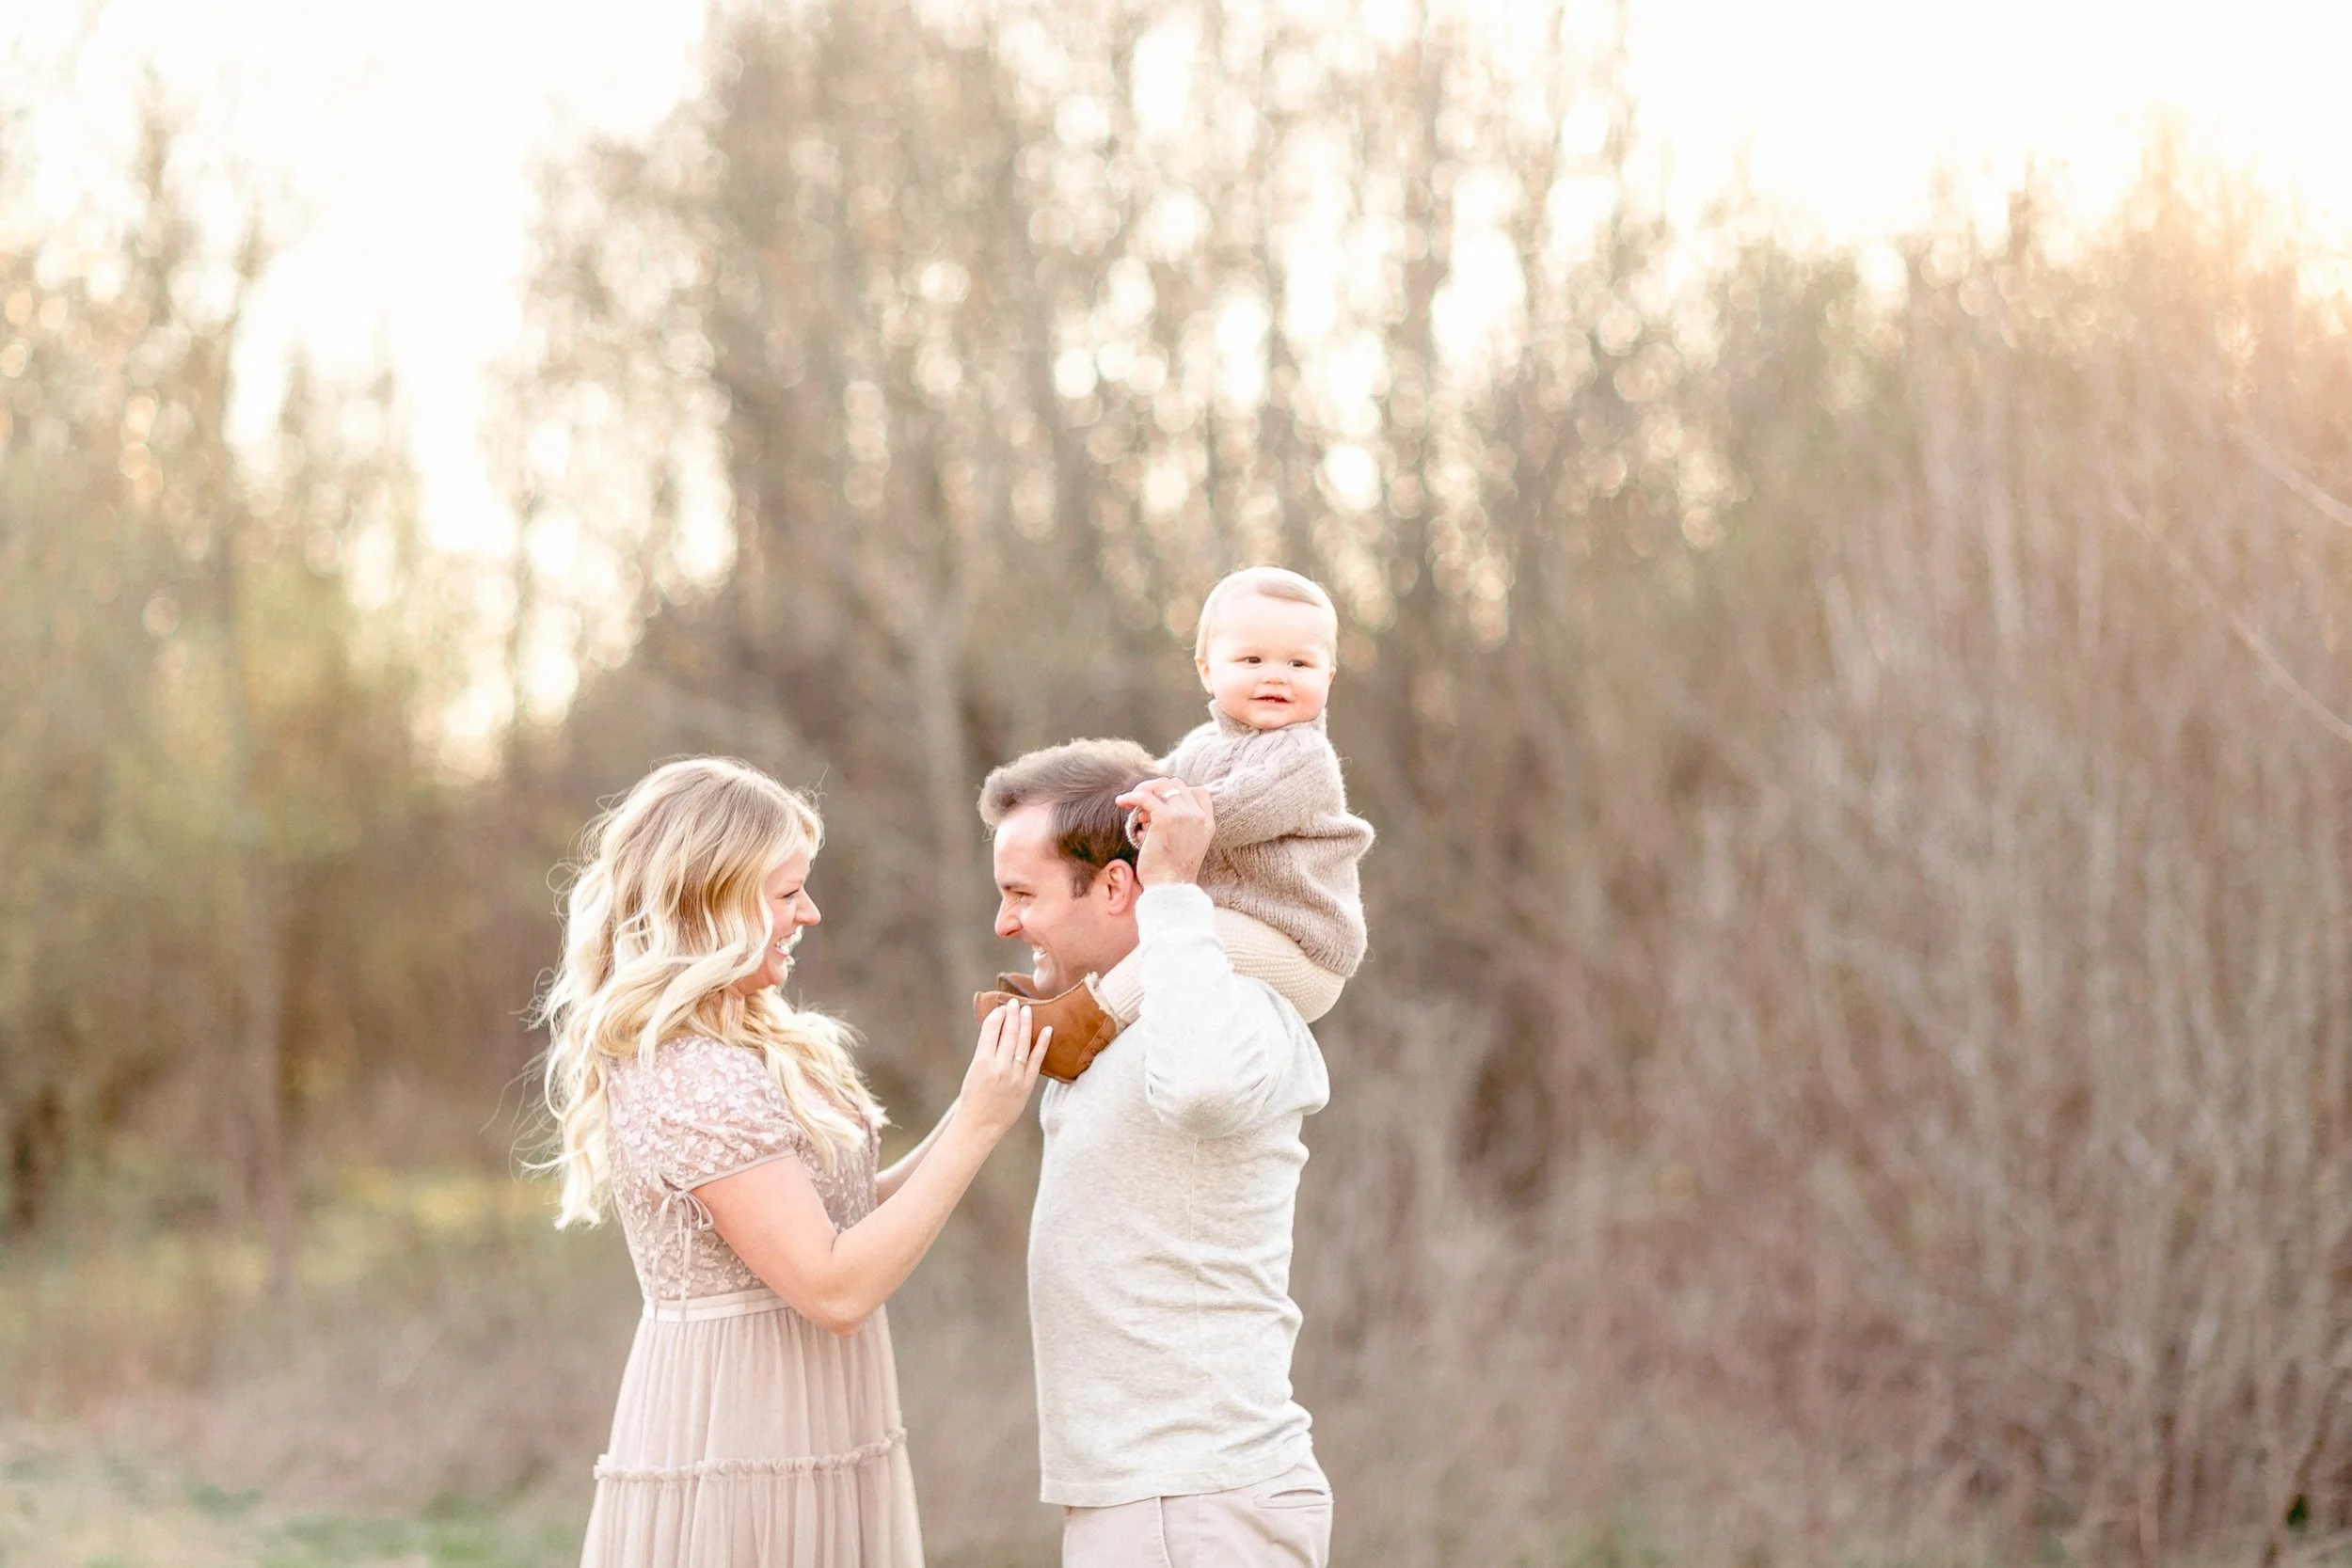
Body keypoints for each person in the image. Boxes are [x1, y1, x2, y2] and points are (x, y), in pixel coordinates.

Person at [536, 756, 1048, 1568]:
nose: (808, 912)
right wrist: (978, 1125)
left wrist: (978, 1101)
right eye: (786, 893)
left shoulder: (743, 1037)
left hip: (809, 1421)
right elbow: (833, 1285)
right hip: (742, 1439)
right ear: (711, 901)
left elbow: (834, 1219)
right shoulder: (690, 1070)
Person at [979, 739, 1337, 1567]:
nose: (1003, 921)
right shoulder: (1116, 1019)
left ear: (1115, 885)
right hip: (1146, 1499)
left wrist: (1175, 892)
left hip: (1197, 1500)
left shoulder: (1235, 1002)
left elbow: (1205, 1089)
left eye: (1021, 892)